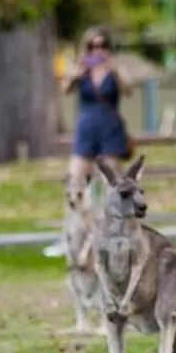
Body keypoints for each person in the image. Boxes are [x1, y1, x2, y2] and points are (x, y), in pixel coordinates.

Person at [43, 25, 133, 257]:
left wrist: (114, 68)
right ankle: (71, 236)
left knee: (112, 185)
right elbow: (65, 89)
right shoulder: (80, 69)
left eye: (103, 45)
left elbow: (128, 90)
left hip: (109, 130)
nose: (98, 50)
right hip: (86, 129)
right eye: (93, 46)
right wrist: (76, 72)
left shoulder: (114, 70)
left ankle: (117, 235)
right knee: (75, 183)